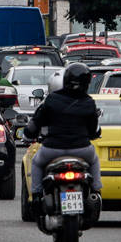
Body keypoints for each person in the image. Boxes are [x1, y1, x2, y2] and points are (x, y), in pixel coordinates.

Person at [23, 63, 102, 217]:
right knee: (94, 161)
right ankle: (95, 192)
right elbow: (93, 130)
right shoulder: (89, 102)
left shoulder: (52, 99)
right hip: (82, 149)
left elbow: (36, 123)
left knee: (37, 163)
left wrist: (27, 135)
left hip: (52, 149)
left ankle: (37, 196)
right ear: (87, 84)